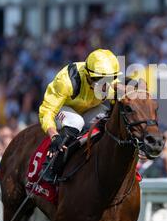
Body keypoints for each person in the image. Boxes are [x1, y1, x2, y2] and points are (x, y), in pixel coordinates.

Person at [38, 49, 121, 182]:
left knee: (108, 118)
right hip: (62, 110)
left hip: (88, 110)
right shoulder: (67, 80)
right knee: (76, 122)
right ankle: (50, 165)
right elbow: (47, 110)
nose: (106, 86)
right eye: (101, 81)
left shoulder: (111, 81)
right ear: (88, 76)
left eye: (111, 79)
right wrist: (54, 135)